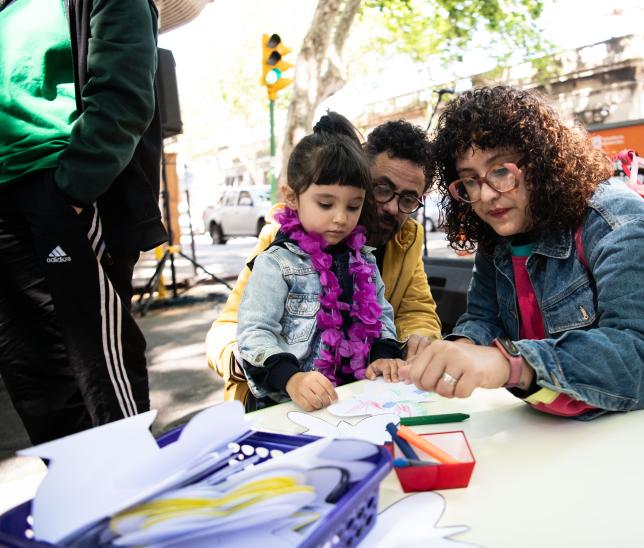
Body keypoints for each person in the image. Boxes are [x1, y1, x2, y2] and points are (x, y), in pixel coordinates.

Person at [400, 86, 644, 421]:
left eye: (500, 171)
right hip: (566, 422)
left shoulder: (618, 220)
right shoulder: (496, 235)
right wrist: (459, 349)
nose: (488, 195)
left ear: (542, 162)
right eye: (470, 181)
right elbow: (484, 318)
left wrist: (510, 363)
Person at [0, 0, 164, 444]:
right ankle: (79, 503)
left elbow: (124, 96)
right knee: (36, 384)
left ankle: (129, 500)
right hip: (7, 202)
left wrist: (72, 192)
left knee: (97, 383)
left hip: (58, 190)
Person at [206, 120, 441, 404]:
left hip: (354, 399)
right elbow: (234, 327)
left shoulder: (403, 240)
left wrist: (401, 347)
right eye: (382, 189)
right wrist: (275, 370)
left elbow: (412, 310)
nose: (392, 207)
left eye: (408, 199)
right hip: (282, 402)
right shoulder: (280, 247)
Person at [236, 112, 405, 412]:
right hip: (287, 408)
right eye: (325, 204)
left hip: (352, 402)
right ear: (292, 197)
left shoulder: (363, 260)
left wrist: (383, 353)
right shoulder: (276, 263)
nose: (341, 218)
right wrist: (291, 379)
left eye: (354, 206)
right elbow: (254, 332)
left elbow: (381, 317)